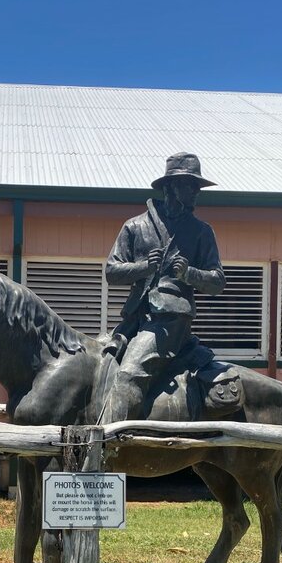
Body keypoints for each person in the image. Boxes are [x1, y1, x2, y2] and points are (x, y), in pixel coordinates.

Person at [100, 152, 226, 423]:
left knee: (128, 375)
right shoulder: (135, 226)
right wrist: (144, 267)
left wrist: (189, 273)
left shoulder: (201, 231)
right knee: (96, 364)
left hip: (170, 321)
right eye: (189, 185)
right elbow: (112, 271)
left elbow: (217, 281)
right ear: (170, 187)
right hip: (134, 319)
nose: (195, 192)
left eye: (197, 187)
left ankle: (106, 449)